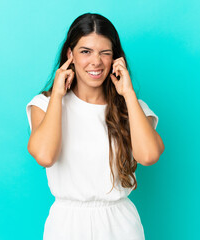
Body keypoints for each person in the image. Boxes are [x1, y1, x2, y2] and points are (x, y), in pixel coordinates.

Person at [26, 13, 165, 240]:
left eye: (105, 53)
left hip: (120, 225)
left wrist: (128, 94)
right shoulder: (46, 105)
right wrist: (58, 94)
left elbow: (148, 155)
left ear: (115, 59)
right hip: (66, 225)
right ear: (70, 54)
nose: (96, 62)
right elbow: (44, 156)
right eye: (85, 51)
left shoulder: (133, 107)